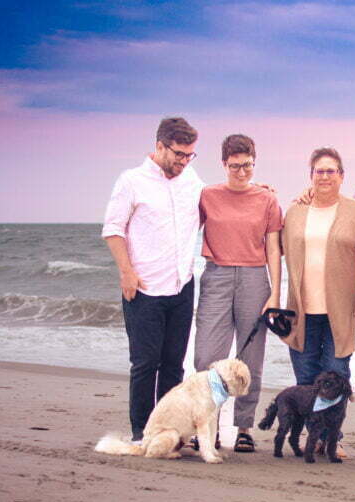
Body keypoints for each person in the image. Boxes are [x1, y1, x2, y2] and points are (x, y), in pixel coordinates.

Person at [102, 117, 203, 443]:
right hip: (143, 288)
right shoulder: (131, 180)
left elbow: (220, 201)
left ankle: (170, 430)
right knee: (146, 364)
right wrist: (126, 272)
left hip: (182, 285)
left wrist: (260, 189)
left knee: (174, 365)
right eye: (178, 154)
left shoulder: (191, 180)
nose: (184, 161)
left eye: (190, 155)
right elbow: (113, 230)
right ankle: (141, 433)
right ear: (159, 146)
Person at [193, 134, 283, 453]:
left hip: (255, 278)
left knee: (250, 359)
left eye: (247, 165)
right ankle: (208, 426)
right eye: (235, 166)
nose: (242, 172)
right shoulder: (207, 195)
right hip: (216, 276)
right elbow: (183, 223)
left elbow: (274, 248)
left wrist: (275, 293)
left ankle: (244, 428)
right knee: (206, 356)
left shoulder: (267, 199)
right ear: (223, 164)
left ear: (254, 162)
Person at [280, 147, 355, 458]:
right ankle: (312, 438)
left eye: (332, 171)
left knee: (335, 375)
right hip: (301, 311)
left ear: (342, 176)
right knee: (306, 381)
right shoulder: (295, 212)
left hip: (340, 311)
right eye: (320, 171)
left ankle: (333, 439)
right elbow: (275, 249)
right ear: (311, 177)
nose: (325, 176)